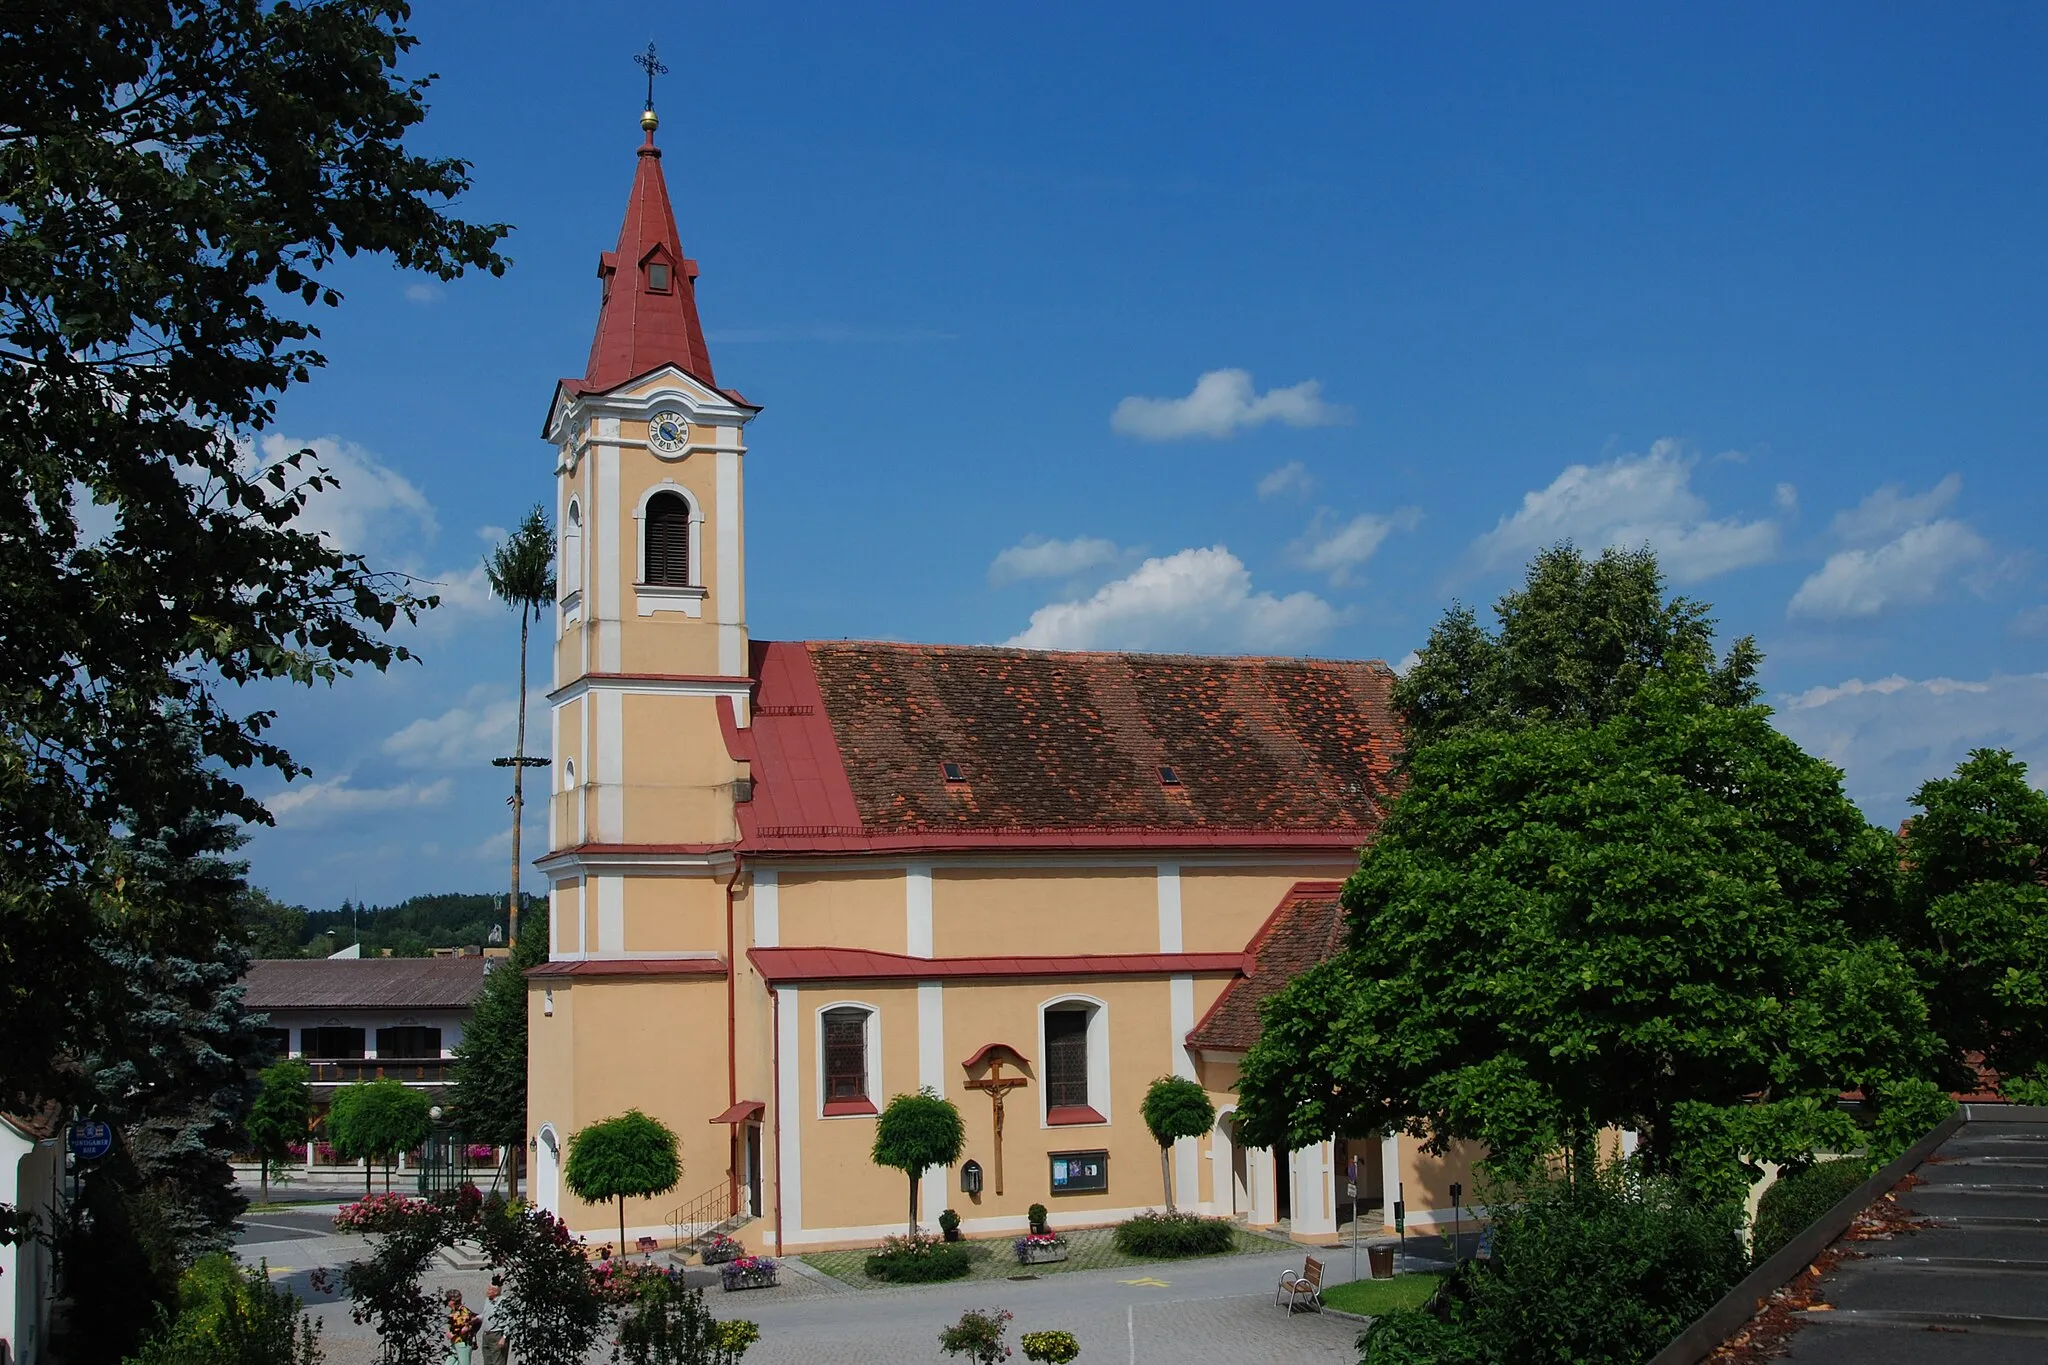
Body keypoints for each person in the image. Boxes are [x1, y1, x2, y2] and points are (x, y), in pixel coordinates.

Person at [479, 1275, 509, 1365]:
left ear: (496, 1292)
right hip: (487, 1335)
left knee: (498, 1362)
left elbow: (509, 1320)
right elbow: (485, 1314)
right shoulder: (488, 1300)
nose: (487, 1292)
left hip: (497, 1334)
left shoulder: (503, 1302)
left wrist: (504, 1337)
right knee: (487, 1361)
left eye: (489, 1290)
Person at [445, 1288, 479, 1365]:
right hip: (454, 1343)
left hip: (463, 1343)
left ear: (453, 1301)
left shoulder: (463, 1311)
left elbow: (467, 1327)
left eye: (448, 1300)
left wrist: (453, 1334)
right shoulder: (454, 1311)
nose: (446, 1302)